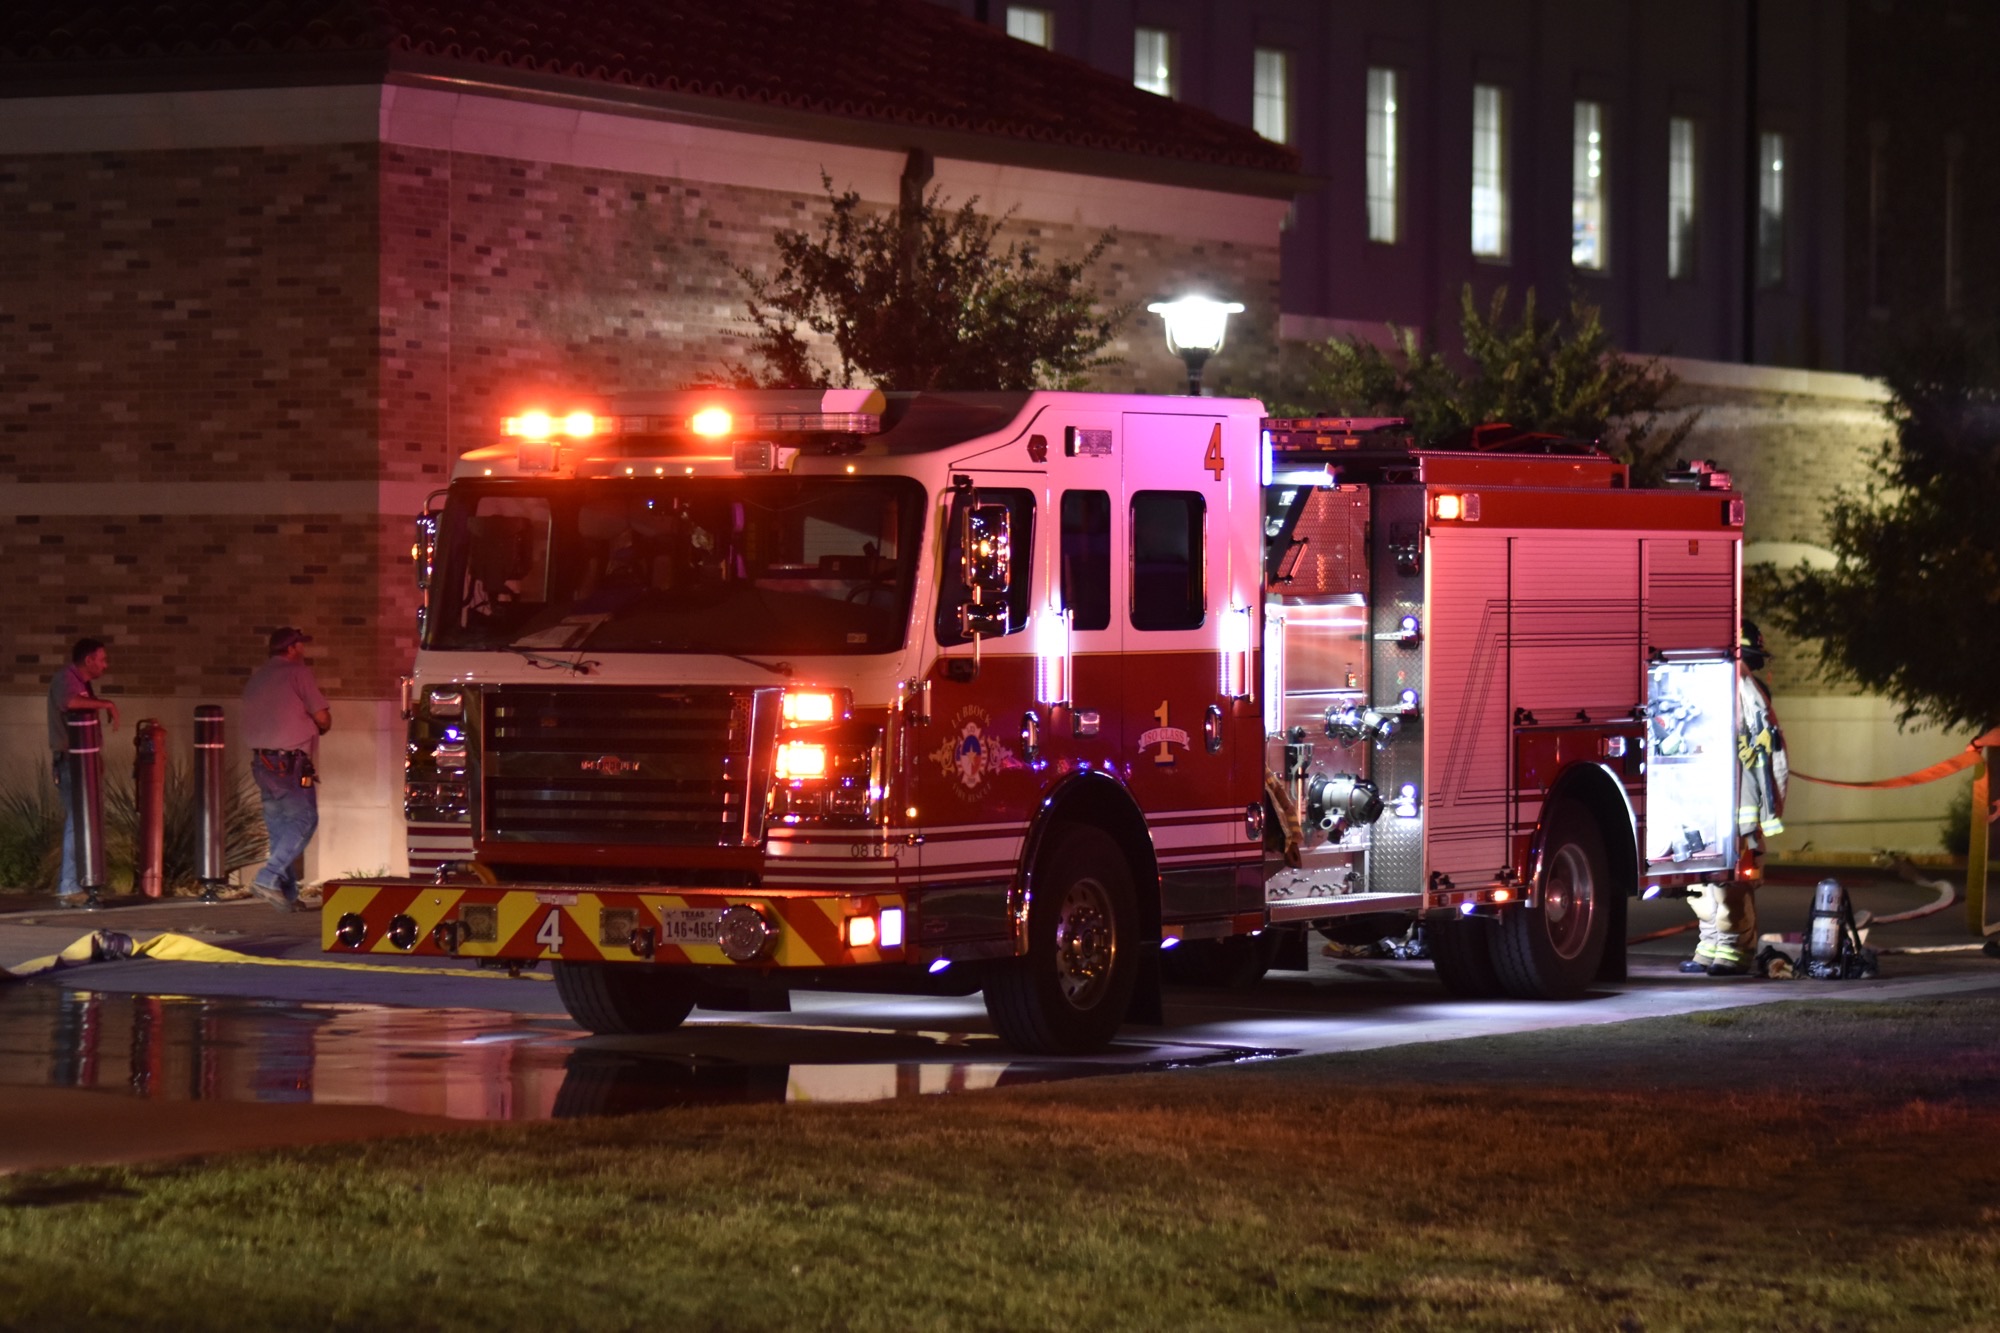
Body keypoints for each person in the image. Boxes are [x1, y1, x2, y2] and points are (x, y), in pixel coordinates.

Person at [1682, 620, 1788, 977]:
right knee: (1701, 880)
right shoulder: (1715, 686)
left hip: (1737, 805)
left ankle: (1735, 951)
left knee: (1731, 884)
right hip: (1707, 800)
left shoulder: (1750, 693)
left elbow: (1764, 757)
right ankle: (1709, 945)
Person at [241, 626, 332, 911]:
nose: (303, 650)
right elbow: (323, 717)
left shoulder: (257, 677)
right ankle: (267, 878)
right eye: (300, 645)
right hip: (288, 763)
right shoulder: (298, 673)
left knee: (280, 828)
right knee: (305, 819)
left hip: (262, 764)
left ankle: (288, 894)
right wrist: (317, 724)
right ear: (291, 648)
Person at [46, 638, 118, 907]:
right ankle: (69, 886)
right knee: (78, 821)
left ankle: (83, 883)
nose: (105, 665)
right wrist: (107, 705)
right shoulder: (66, 679)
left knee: (84, 820)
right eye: (102, 659)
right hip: (71, 762)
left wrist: (96, 756)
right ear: (88, 660)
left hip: (83, 761)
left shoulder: (82, 683)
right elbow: (70, 702)